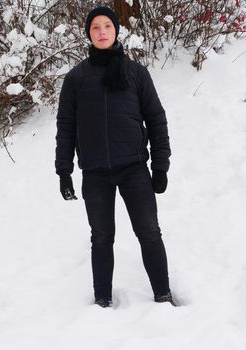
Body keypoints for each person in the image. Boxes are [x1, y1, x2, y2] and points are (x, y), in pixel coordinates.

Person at [55, 7, 175, 308]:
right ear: (88, 34)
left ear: (116, 31)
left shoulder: (136, 73)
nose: (102, 31)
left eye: (107, 25)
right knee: (101, 237)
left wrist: (160, 166)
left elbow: (156, 120)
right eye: (95, 27)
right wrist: (64, 170)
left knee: (149, 232)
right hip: (95, 173)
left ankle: (163, 294)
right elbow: (66, 126)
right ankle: (103, 301)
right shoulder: (76, 79)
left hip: (134, 169)